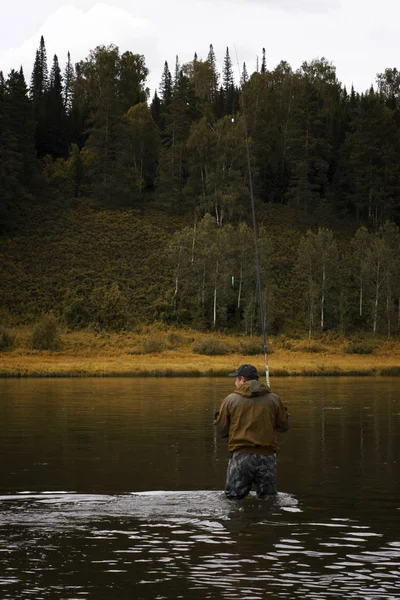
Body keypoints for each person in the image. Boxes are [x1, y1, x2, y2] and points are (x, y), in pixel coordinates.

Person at [214, 363, 290, 500]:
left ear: (242, 379)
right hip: (266, 457)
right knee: (269, 500)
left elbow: (221, 432)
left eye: (236, 378)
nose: (235, 382)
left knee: (233, 500)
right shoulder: (274, 399)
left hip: (240, 457)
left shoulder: (230, 400)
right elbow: (284, 427)